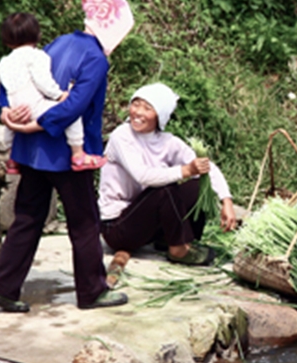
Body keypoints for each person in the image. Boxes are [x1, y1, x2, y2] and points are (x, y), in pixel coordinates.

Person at [0, 0, 134, 313]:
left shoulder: (60, 42)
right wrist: (40, 124)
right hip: (65, 154)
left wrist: (4, 112)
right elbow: (75, 105)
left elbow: (15, 77)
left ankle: (3, 287)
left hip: (30, 152)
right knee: (84, 222)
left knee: (27, 217)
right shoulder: (96, 58)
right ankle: (92, 291)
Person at [98, 83, 237, 265]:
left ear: (160, 116)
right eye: (135, 104)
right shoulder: (121, 136)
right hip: (118, 227)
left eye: (147, 108)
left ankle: (174, 239)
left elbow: (206, 167)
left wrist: (226, 201)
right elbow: (143, 176)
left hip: (147, 224)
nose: (138, 112)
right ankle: (178, 249)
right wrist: (185, 170)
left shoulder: (167, 141)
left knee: (199, 186)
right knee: (165, 188)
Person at [0, 12, 105, 175]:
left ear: (6, 41)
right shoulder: (38, 56)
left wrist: (5, 111)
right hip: (36, 108)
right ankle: (78, 154)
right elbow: (43, 82)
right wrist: (59, 95)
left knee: (10, 129)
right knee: (73, 114)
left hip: (16, 109)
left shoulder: (4, 62)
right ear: (38, 35)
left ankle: (12, 157)